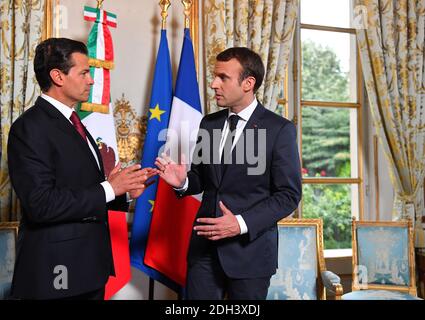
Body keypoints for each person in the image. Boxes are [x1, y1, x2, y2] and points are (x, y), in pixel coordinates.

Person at [7, 38, 155, 300]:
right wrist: (111, 187)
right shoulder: (30, 127)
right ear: (58, 76)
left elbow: (81, 187)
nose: (91, 80)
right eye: (84, 72)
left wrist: (126, 191)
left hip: (88, 269)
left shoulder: (74, 122)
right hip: (56, 273)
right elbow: (41, 204)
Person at [156, 47, 302, 299]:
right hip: (204, 251)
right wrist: (182, 182)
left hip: (250, 254)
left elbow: (288, 195)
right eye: (215, 76)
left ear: (248, 83)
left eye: (223, 77)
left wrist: (240, 223)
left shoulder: (279, 129)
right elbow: (202, 180)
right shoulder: (209, 123)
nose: (213, 84)